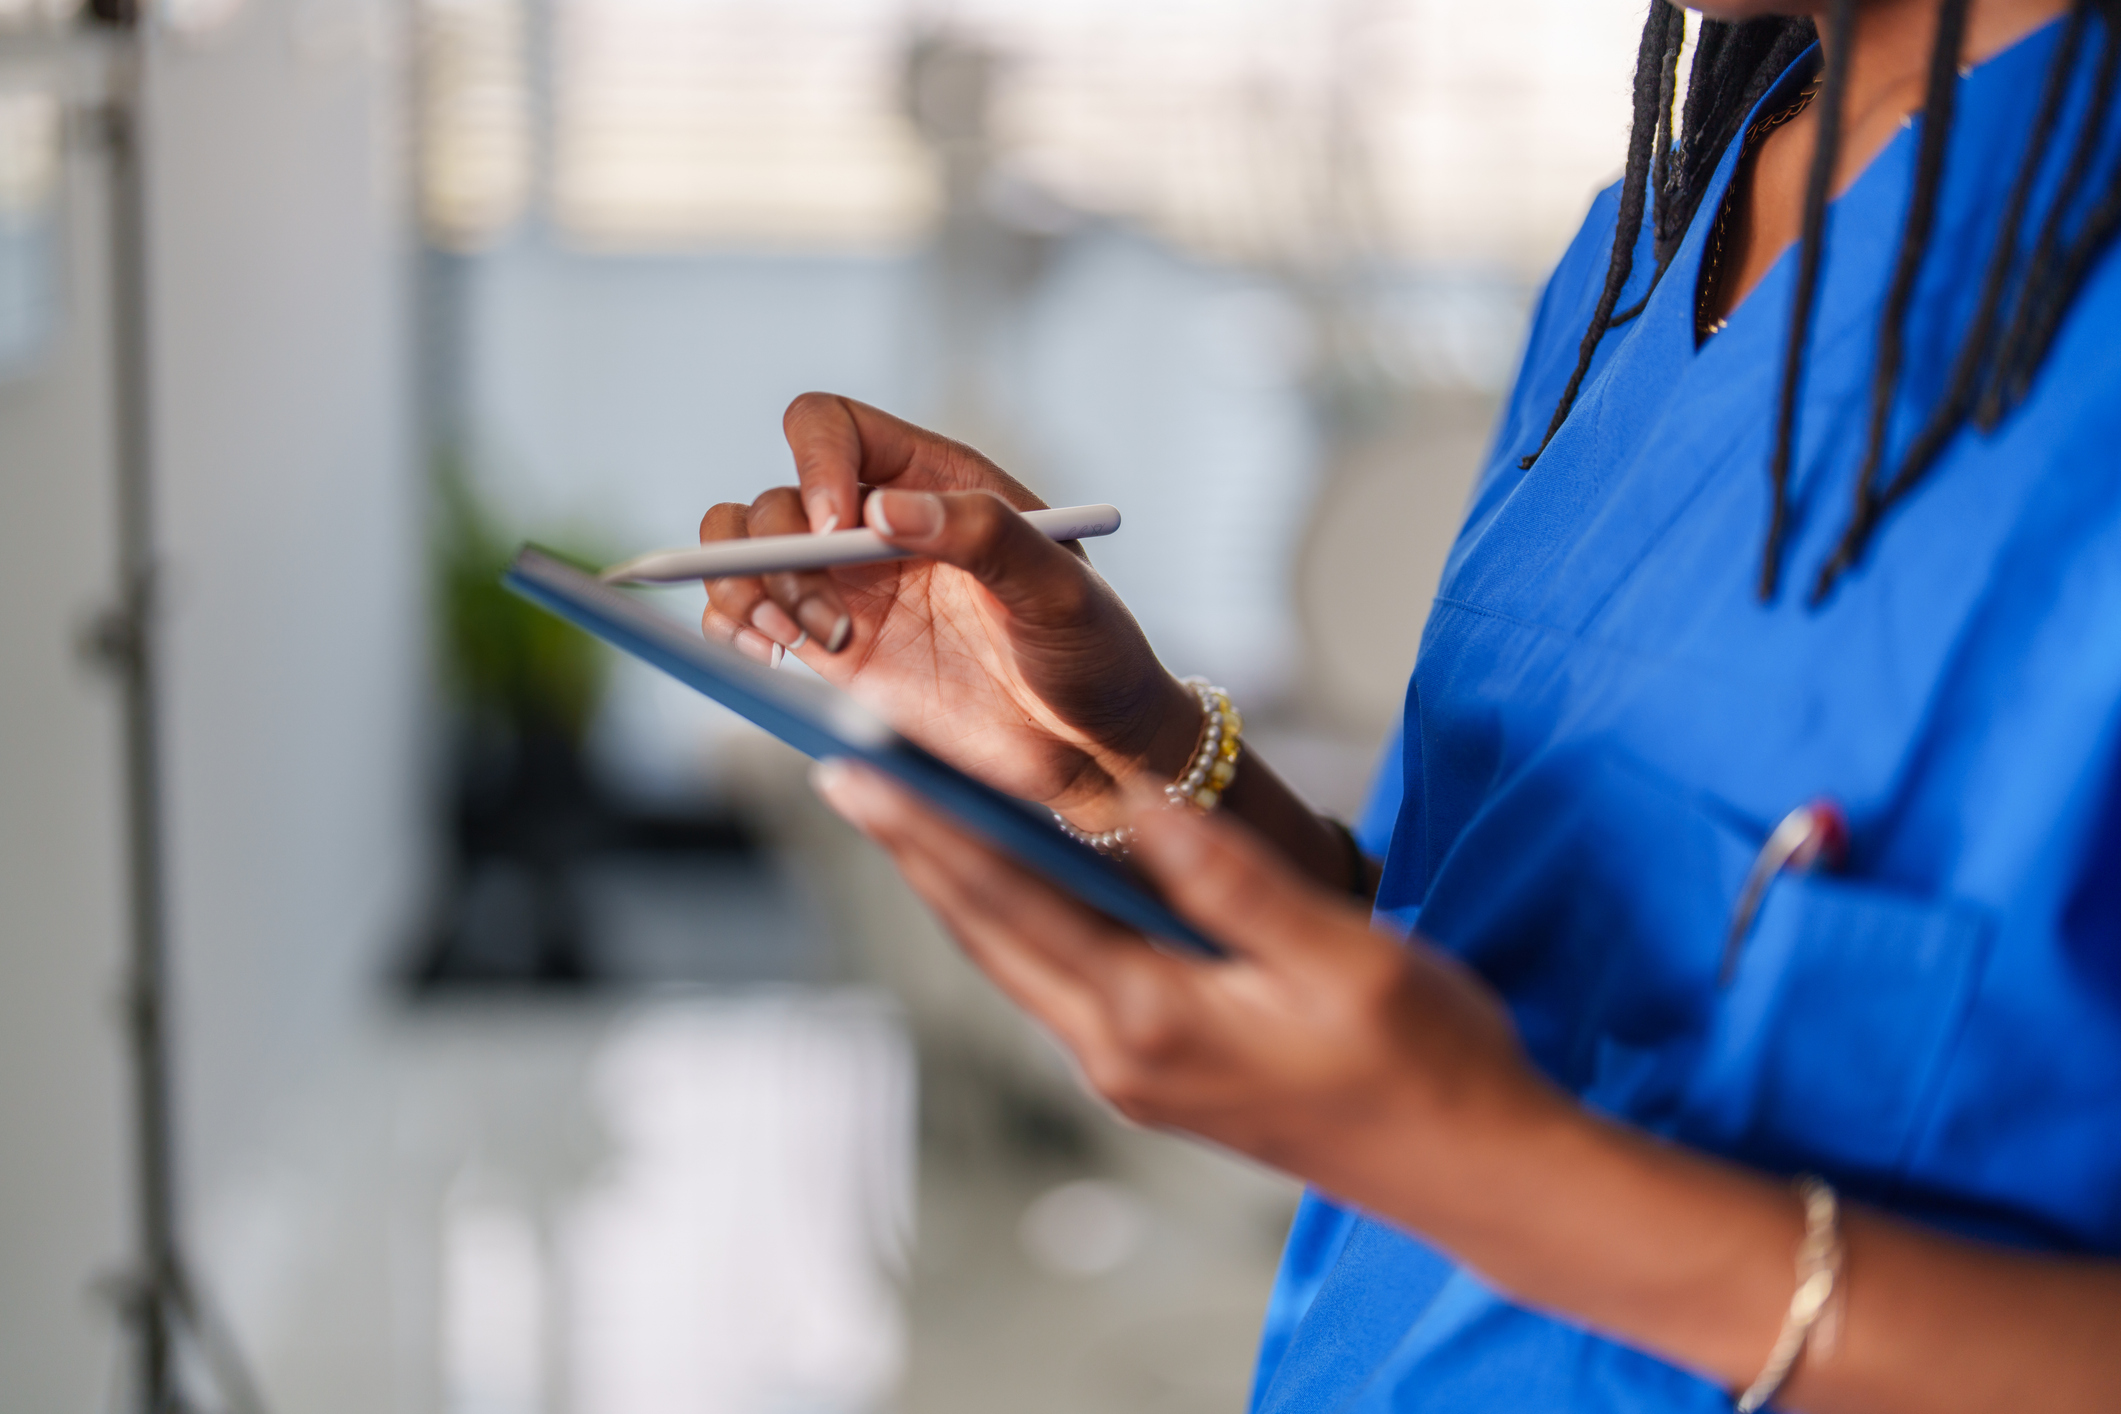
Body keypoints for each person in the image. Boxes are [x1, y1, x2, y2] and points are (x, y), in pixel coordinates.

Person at [695, 0, 2121, 1408]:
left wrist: (1512, 1181)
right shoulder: (1633, 264)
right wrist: (1116, 748)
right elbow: (1460, 960)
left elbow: (1478, 1121)